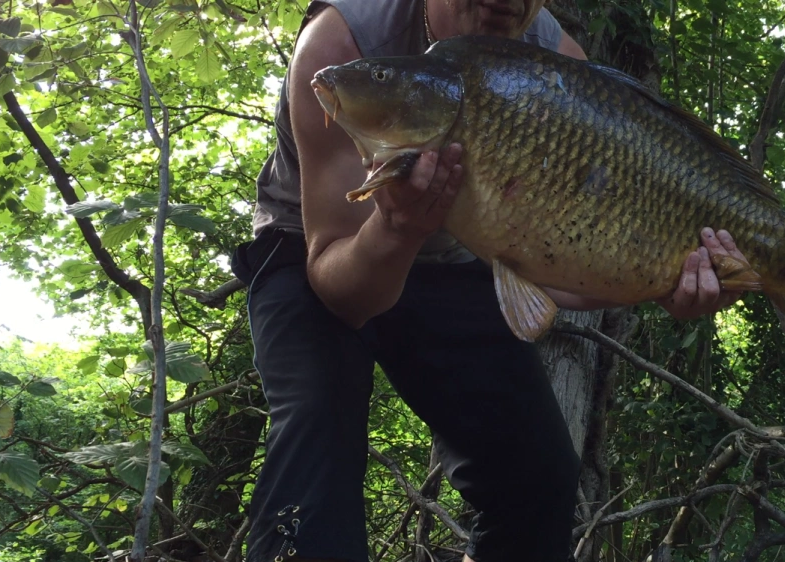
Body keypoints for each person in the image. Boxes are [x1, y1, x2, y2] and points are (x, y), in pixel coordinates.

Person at [231, 2, 746, 561]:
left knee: (539, 476)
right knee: (317, 439)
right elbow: (345, 295)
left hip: (459, 258)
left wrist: (660, 282)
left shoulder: (559, 60)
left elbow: (557, 279)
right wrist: (397, 227)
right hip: (316, 250)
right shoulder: (342, 46)